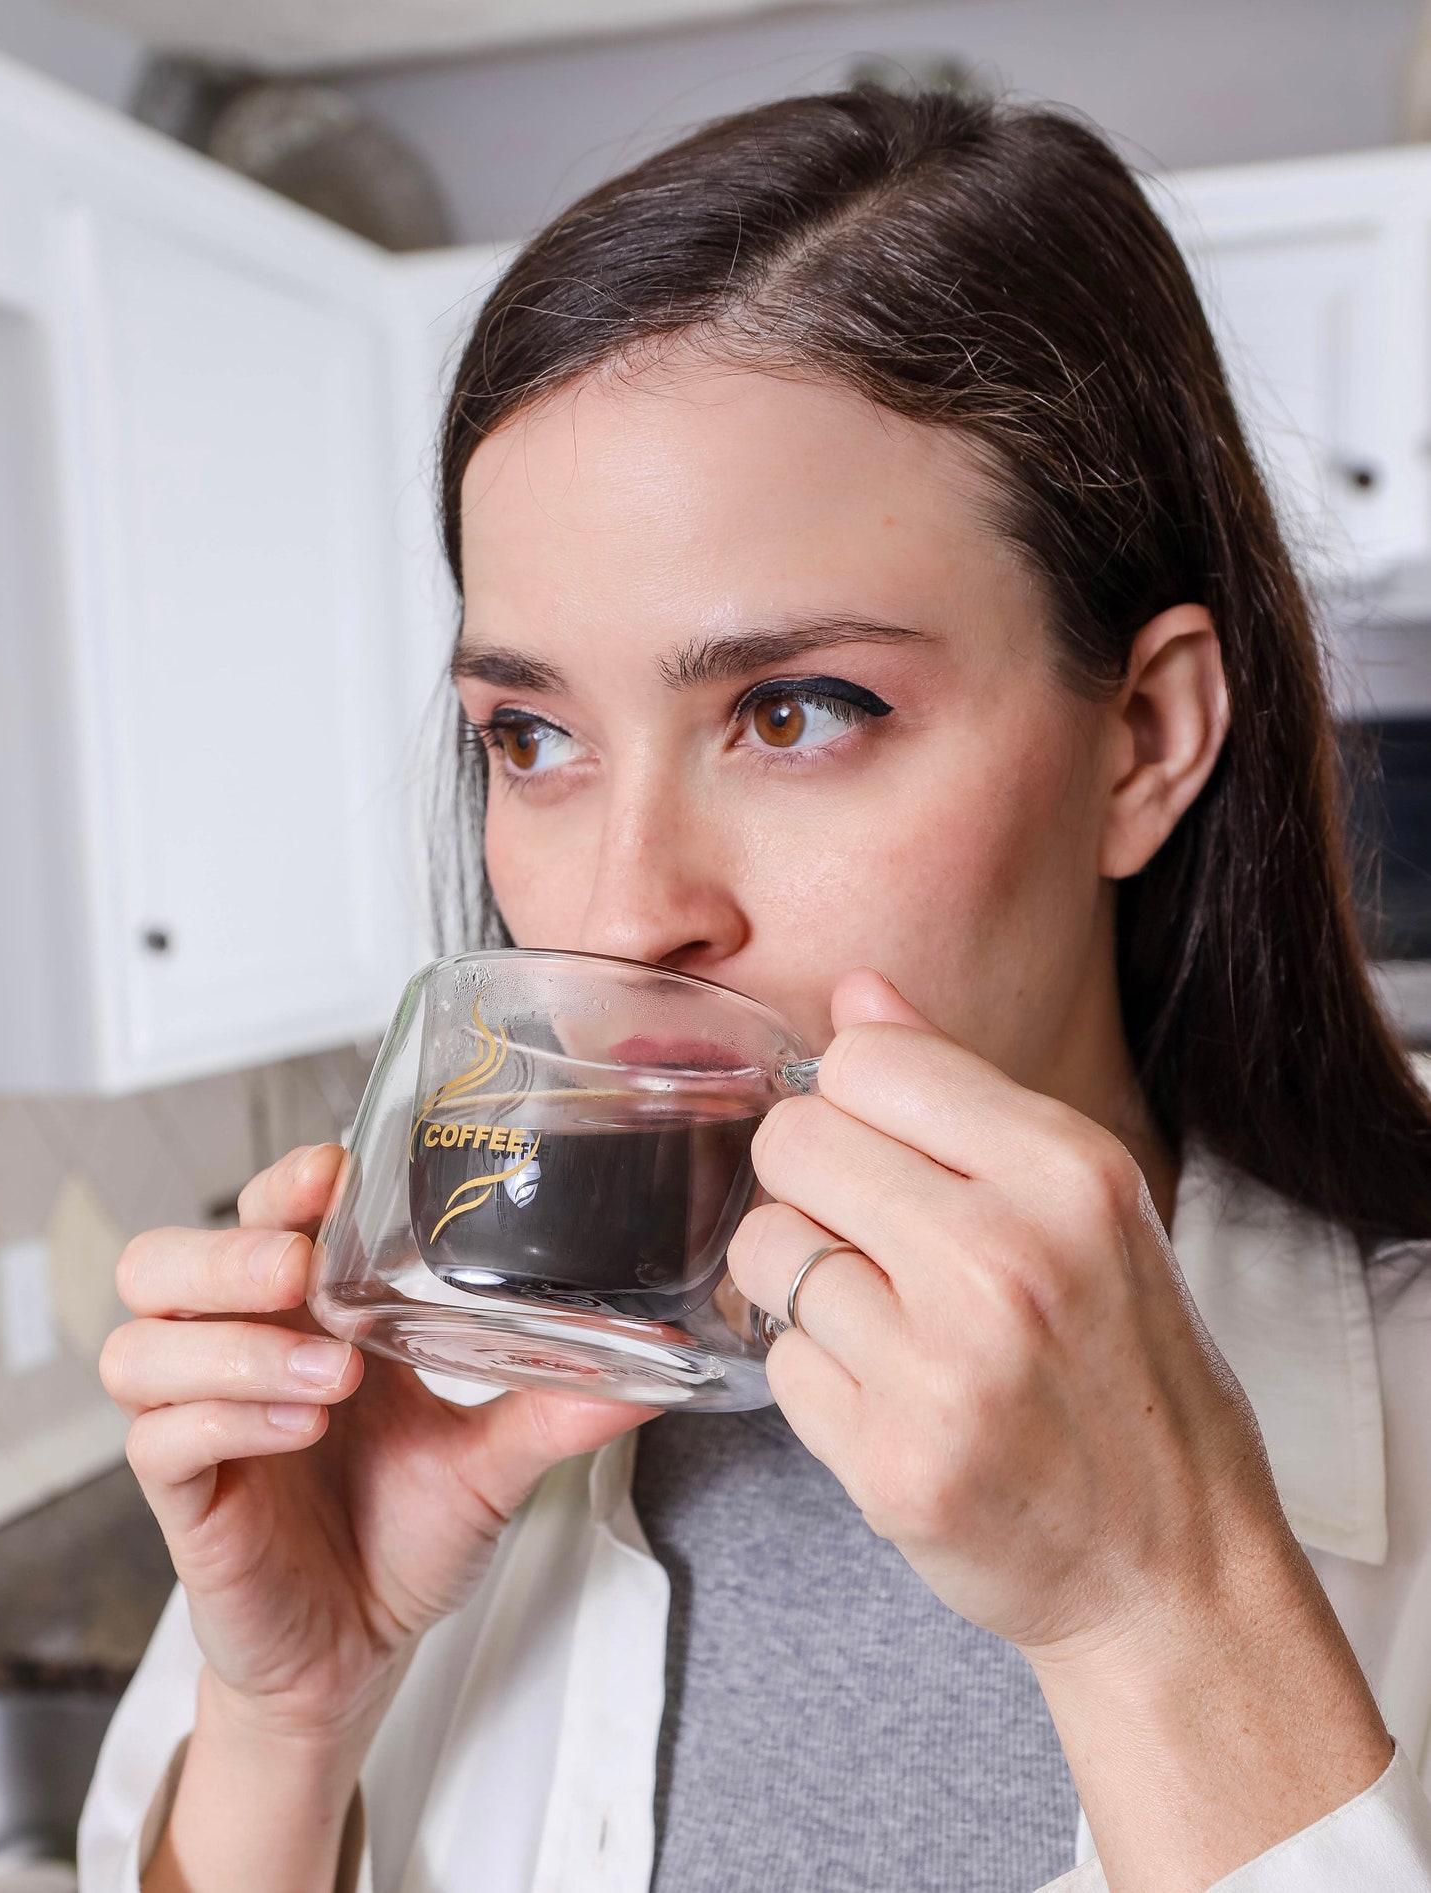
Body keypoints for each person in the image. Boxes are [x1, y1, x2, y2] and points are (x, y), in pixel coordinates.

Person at [79, 88, 1431, 1893]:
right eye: (534, 735)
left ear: (1144, 737)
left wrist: (1158, 1610)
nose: (626, 913)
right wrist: (288, 1713)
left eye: (795, 711)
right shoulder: (450, 1402)